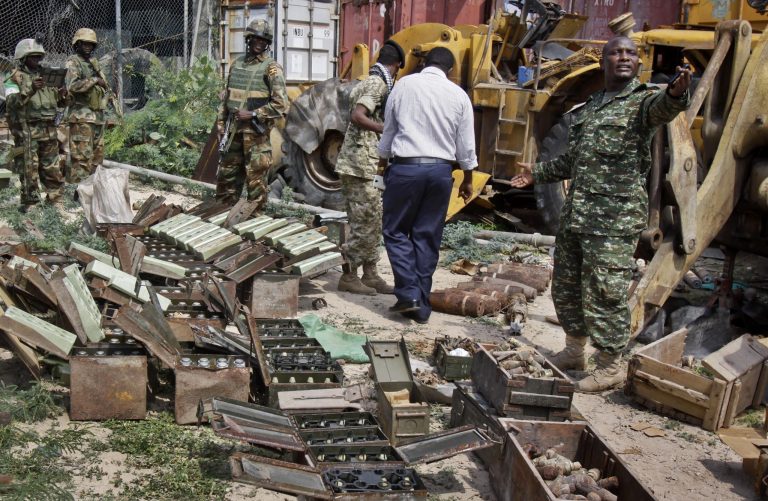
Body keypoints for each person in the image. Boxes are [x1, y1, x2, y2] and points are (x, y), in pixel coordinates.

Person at [510, 36, 691, 392]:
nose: (623, 57)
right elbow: (572, 160)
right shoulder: (592, 107)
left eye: (630, 53)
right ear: (603, 61)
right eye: (615, 53)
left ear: (638, 63)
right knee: (567, 287)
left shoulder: (641, 104)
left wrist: (674, 95)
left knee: (605, 291)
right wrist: (537, 173)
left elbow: (663, 108)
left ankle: (609, 364)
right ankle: (575, 351)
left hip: (613, 222)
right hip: (578, 216)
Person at [378, 47, 476, 324]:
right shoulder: (459, 95)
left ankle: (408, 293)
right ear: (451, 70)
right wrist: (467, 180)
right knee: (427, 236)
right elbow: (466, 146)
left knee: (395, 231)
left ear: (424, 63)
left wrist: (382, 166)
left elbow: (389, 132)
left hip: (406, 169)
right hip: (440, 172)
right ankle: (420, 305)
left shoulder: (404, 85)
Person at [335, 40, 405, 295]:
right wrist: (385, 129)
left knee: (373, 218)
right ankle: (350, 274)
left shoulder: (372, 80)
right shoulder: (377, 83)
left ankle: (370, 272)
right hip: (358, 164)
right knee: (364, 221)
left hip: (366, 163)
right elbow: (358, 115)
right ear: (396, 65)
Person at [216, 19, 289, 208]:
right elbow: (227, 99)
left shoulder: (271, 68)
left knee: (256, 185)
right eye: (255, 39)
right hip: (233, 133)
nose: (259, 43)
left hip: (256, 136)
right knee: (226, 181)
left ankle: (253, 228)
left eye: (263, 40)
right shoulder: (237, 64)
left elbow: (281, 104)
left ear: (268, 43)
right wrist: (221, 126)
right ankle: (223, 219)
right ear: (248, 39)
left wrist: (254, 114)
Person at [8, 38, 66, 210]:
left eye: (38, 56)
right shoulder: (13, 77)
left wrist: (64, 94)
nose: (36, 60)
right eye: (32, 56)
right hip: (27, 131)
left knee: (52, 167)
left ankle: (55, 201)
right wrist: (31, 88)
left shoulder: (49, 75)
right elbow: (11, 103)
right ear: (23, 58)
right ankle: (30, 203)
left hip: (49, 129)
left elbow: (61, 103)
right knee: (29, 169)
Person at [65, 28, 112, 183]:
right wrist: (94, 81)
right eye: (84, 43)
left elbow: (104, 86)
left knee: (97, 158)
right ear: (77, 44)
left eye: (91, 44)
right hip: (81, 117)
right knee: (81, 157)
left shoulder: (93, 63)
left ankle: (92, 189)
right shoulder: (73, 62)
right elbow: (72, 86)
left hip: (97, 116)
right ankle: (78, 191)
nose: (88, 47)